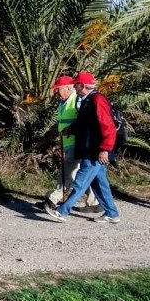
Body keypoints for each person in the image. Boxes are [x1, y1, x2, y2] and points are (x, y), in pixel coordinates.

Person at [45, 71, 120, 223]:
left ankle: (62, 211)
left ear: (83, 86)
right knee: (100, 184)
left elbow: (109, 127)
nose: (74, 87)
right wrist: (71, 129)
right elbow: (86, 125)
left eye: (76, 85)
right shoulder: (88, 100)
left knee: (81, 181)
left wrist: (105, 149)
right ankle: (112, 213)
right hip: (90, 149)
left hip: (95, 151)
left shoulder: (97, 100)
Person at [46, 75, 97, 210]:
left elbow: (83, 120)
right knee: (81, 173)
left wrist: (72, 130)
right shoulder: (64, 101)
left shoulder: (77, 100)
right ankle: (94, 201)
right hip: (69, 142)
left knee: (68, 170)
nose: (56, 92)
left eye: (58, 89)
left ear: (67, 88)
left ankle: (53, 198)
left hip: (76, 142)